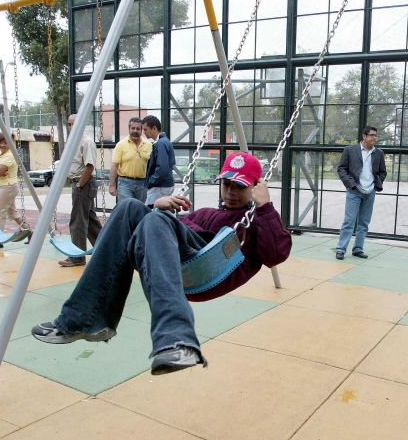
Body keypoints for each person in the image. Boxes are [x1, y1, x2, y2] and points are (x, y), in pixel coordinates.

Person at [31, 152, 292, 375]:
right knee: (129, 207)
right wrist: (158, 206)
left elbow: (276, 255)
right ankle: (84, 320)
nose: (231, 192)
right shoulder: (206, 214)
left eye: (240, 186)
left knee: (155, 220)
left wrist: (266, 207)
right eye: (227, 185)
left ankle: (178, 339)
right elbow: (163, 231)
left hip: (210, 267)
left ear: (255, 187)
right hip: (179, 258)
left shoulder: (257, 222)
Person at [334, 126, 387, 260]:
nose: (374, 138)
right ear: (364, 136)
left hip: (370, 192)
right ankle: (341, 249)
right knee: (349, 221)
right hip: (354, 190)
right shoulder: (350, 150)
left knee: (364, 222)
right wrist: (351, 184)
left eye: (376, 136)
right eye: (372, 135)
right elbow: (341, 169)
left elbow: (382, 172)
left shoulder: (379, 153)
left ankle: (358, 249)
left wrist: (376, 184)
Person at [58, 114, 104, 267]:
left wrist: (79, 185)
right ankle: (104, 250)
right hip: (80, 183)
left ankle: (77, 257)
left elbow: (89, 166)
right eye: (69, 124)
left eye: (74, 124)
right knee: (90, 220)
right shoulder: (74, 142)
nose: (71, 127)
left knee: (78, 221)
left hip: (83, 184)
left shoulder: (86, 142)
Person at [0, 134, 31, 250]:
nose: (2, 145)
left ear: (11, 143)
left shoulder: (10, 155)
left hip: (8, 187)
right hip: (5, 186)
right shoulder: (0, 154)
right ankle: (29, 231)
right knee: (12, 212)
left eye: (5, 143)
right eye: (0, 142)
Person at [109, 117, 151, 203]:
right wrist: (112, 185)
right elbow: (115, 166)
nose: (135, 131)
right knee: (126, 208)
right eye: (133, 128)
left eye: (138, 129)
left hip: (142, 184)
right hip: (125, 183)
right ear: (129, 129)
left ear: (141, 130)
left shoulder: (148, 145)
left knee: (141, 210)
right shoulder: (121, 145)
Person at [141, 115, 175, 207]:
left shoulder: (160, 144)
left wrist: (150, 182)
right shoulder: (165, 141)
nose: (144, 132)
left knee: (150, 213)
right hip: (165, 184)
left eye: (145, 129)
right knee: (164, 212)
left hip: (160, 186)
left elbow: (162, 168)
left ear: (154, 128)